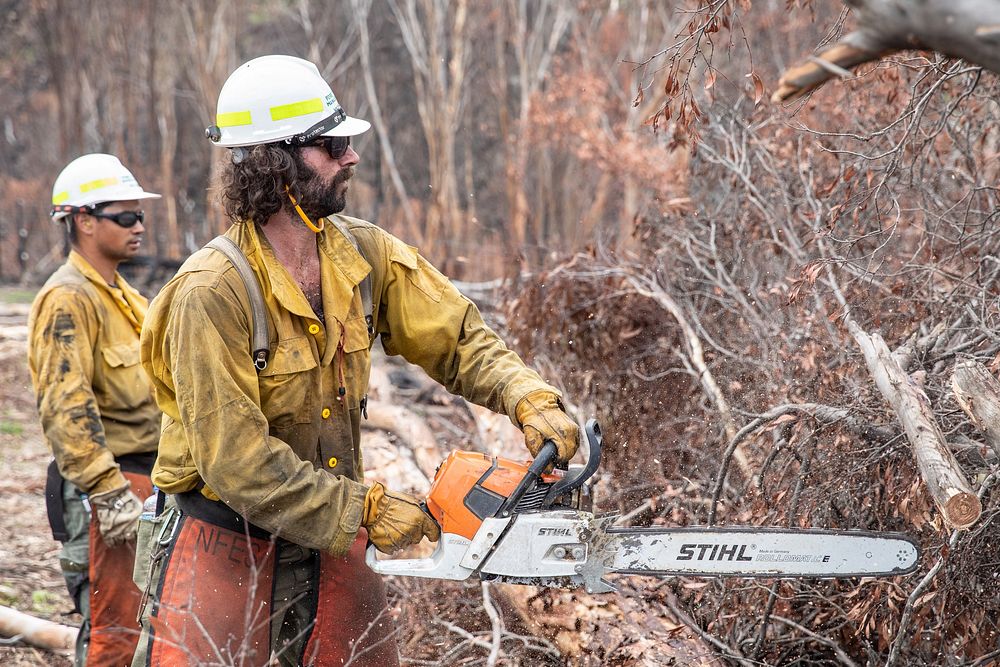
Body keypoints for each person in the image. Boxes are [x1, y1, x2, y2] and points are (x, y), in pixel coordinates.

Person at [134, 54, 579, 667]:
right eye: (332, 144)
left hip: (333, 533)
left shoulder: (362, 253)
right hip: (224, 541)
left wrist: (526, 396)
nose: (351, 156)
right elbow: (234, 462)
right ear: (273, 162)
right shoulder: (213, 291)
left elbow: (456, 335)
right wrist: (363, 508)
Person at [27, 153, 162, 666]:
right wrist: (109, 495)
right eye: (125, 217)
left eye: (140, 215)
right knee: (116, 639)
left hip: (147, 485)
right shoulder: (67, 299)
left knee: (151, 634)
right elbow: (67, 412)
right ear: (84, 221)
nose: (139, 226)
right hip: (108, 493)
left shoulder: (124, 296)